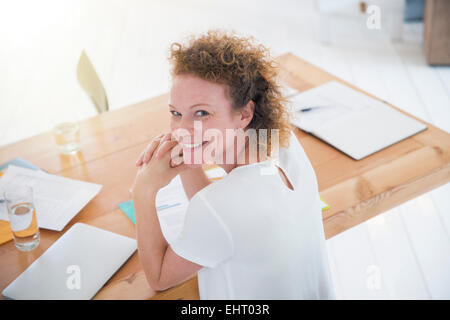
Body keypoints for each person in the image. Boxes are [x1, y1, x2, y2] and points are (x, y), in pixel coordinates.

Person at [132, 29, 335, 299]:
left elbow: (158, 278)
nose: (182, 129)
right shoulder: (283, 145)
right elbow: (225, 216)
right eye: (176, 113)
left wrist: (143, 190)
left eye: (202, 113)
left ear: (244, 114)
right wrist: (190, 159)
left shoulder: (218, 208)